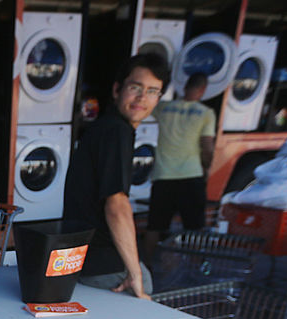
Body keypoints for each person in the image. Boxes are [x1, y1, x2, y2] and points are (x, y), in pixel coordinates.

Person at [62, 53, 169, 299]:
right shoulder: (117, 132)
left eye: (153, 91)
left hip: (82, 258)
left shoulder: (103, 128)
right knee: (142, 296)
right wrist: (135, 273)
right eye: (135, 88)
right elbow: (117, 204)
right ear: (117, 90)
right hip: (105, 266)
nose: (143, 98)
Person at [143, 72, 216, 264]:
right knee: (194, 227)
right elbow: (207, 147)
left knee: (155, 226)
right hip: (191, 176)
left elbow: (147, 108)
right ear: (203, 90)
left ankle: (148, 266)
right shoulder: (206, 113)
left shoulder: (165, 108)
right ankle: (193, 267)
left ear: (185, 87)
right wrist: (206, 168)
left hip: (163, 176)